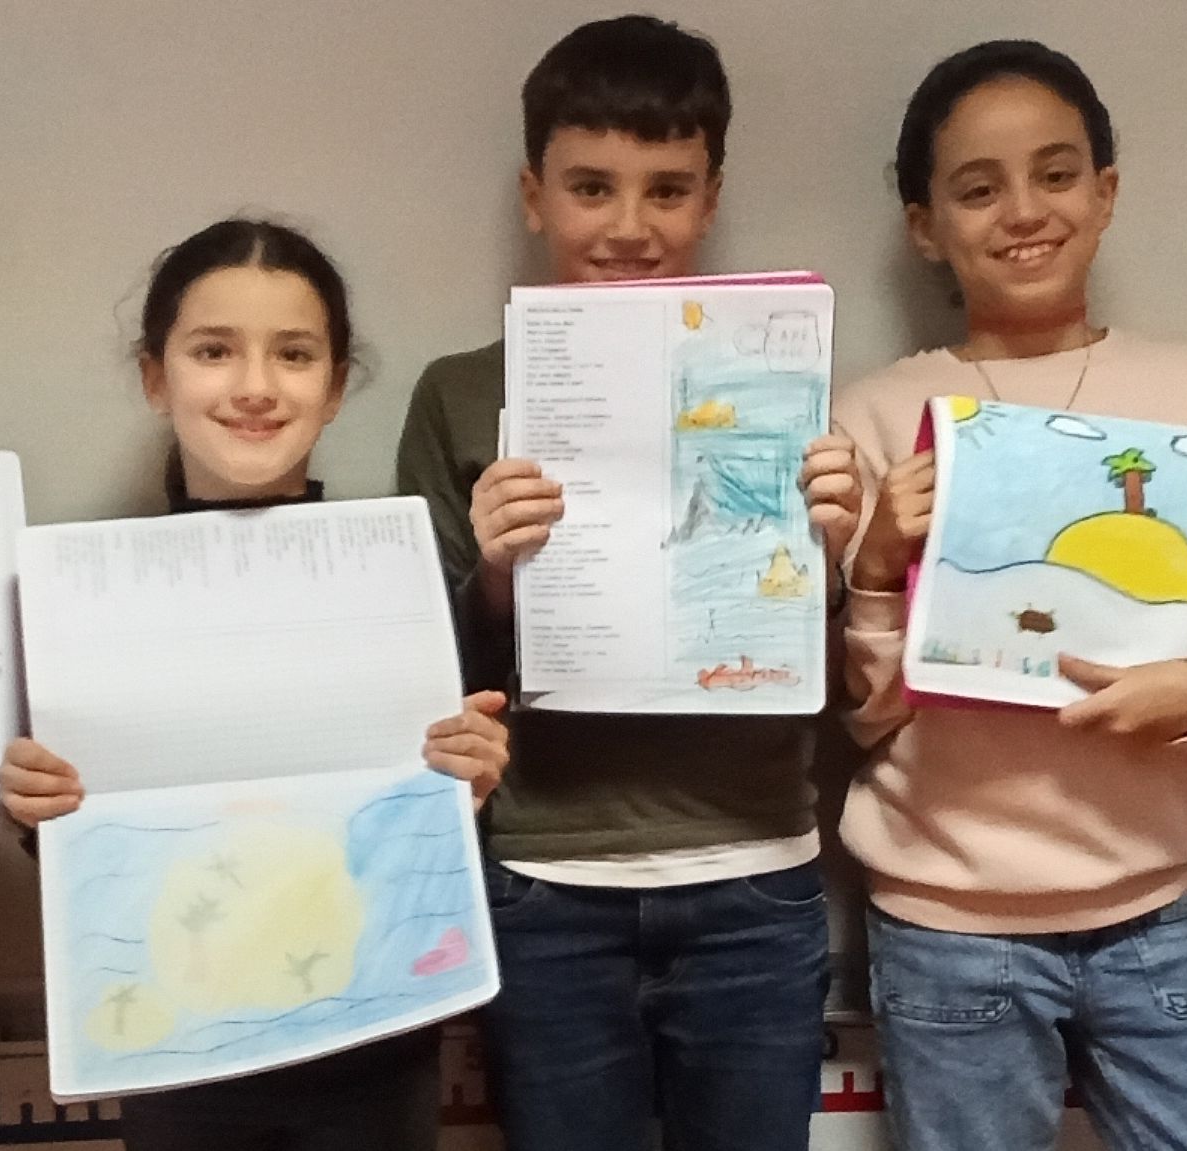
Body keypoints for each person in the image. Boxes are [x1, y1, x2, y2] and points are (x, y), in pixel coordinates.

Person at [390, 16, 861, 1150]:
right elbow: (425, 682)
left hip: (753, 868)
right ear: (534, 194)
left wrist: (834, 555)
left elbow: (821, 655)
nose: (629, 226)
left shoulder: (778, 378)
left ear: (710, 198)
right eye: (591, 187)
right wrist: (497, 572)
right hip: (547, 880)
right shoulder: (458, 394)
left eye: (667, 190)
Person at [829, 40, 1187, 1151]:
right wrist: (878, 567)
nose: (1023, 212)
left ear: (1105, 191)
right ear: (924, 225)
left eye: (1055, 173)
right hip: (946, 926)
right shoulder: (875, 415)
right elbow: (862, 716)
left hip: (1162, 909)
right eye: (977, 188)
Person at [0, 216, 510, 1151]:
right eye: (213, 351)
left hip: (370, 1037)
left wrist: (463, 786)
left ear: (336, 385)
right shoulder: (81, 601)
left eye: (294, 354)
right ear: (156, 377)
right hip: (178, 1044)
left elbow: (440, 823)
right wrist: (36, 807)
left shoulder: (402, 584)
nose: (255, 386)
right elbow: (83, 844)